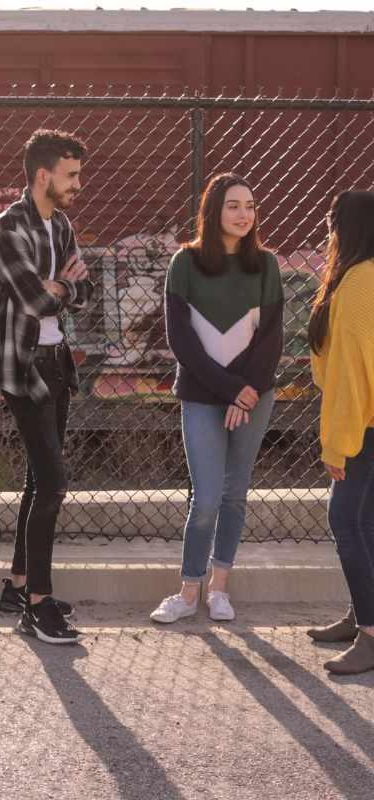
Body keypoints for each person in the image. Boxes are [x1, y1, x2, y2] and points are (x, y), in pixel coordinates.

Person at [150, 172, 283, 624]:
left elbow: (271, 339)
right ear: (214, 210)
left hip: (254, 397)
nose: (244, 214)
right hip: (203, 397)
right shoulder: (184, 263)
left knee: (234, 495)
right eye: (234, 205)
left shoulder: (266, 264)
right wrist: (231, 390)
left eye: (250, 206)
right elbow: (181, 341)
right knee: (205, 498)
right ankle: (188, 592)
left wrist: (246, 395)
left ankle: (219, 589)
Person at [0, 129, 93, 644]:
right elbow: (34, 300)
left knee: (38, 479)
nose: (77, 185)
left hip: (56, 361)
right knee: (53, 481)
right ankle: (38, 608)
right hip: (22, 365)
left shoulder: (60, 224)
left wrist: (60, 286)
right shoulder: (10, 226)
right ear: (43, 175)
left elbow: (85, 291)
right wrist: (62, 286)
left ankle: (20, 586)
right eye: (71, 175)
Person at [305, 190, 374, 675]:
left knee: (345, 521)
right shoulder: (362, 277)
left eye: (331, 222)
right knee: (365, 523)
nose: (327, 232)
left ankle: (370, 634)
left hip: (364, 427)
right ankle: (360, 616)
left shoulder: (355, 287)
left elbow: (350, 380)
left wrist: (336, 445)